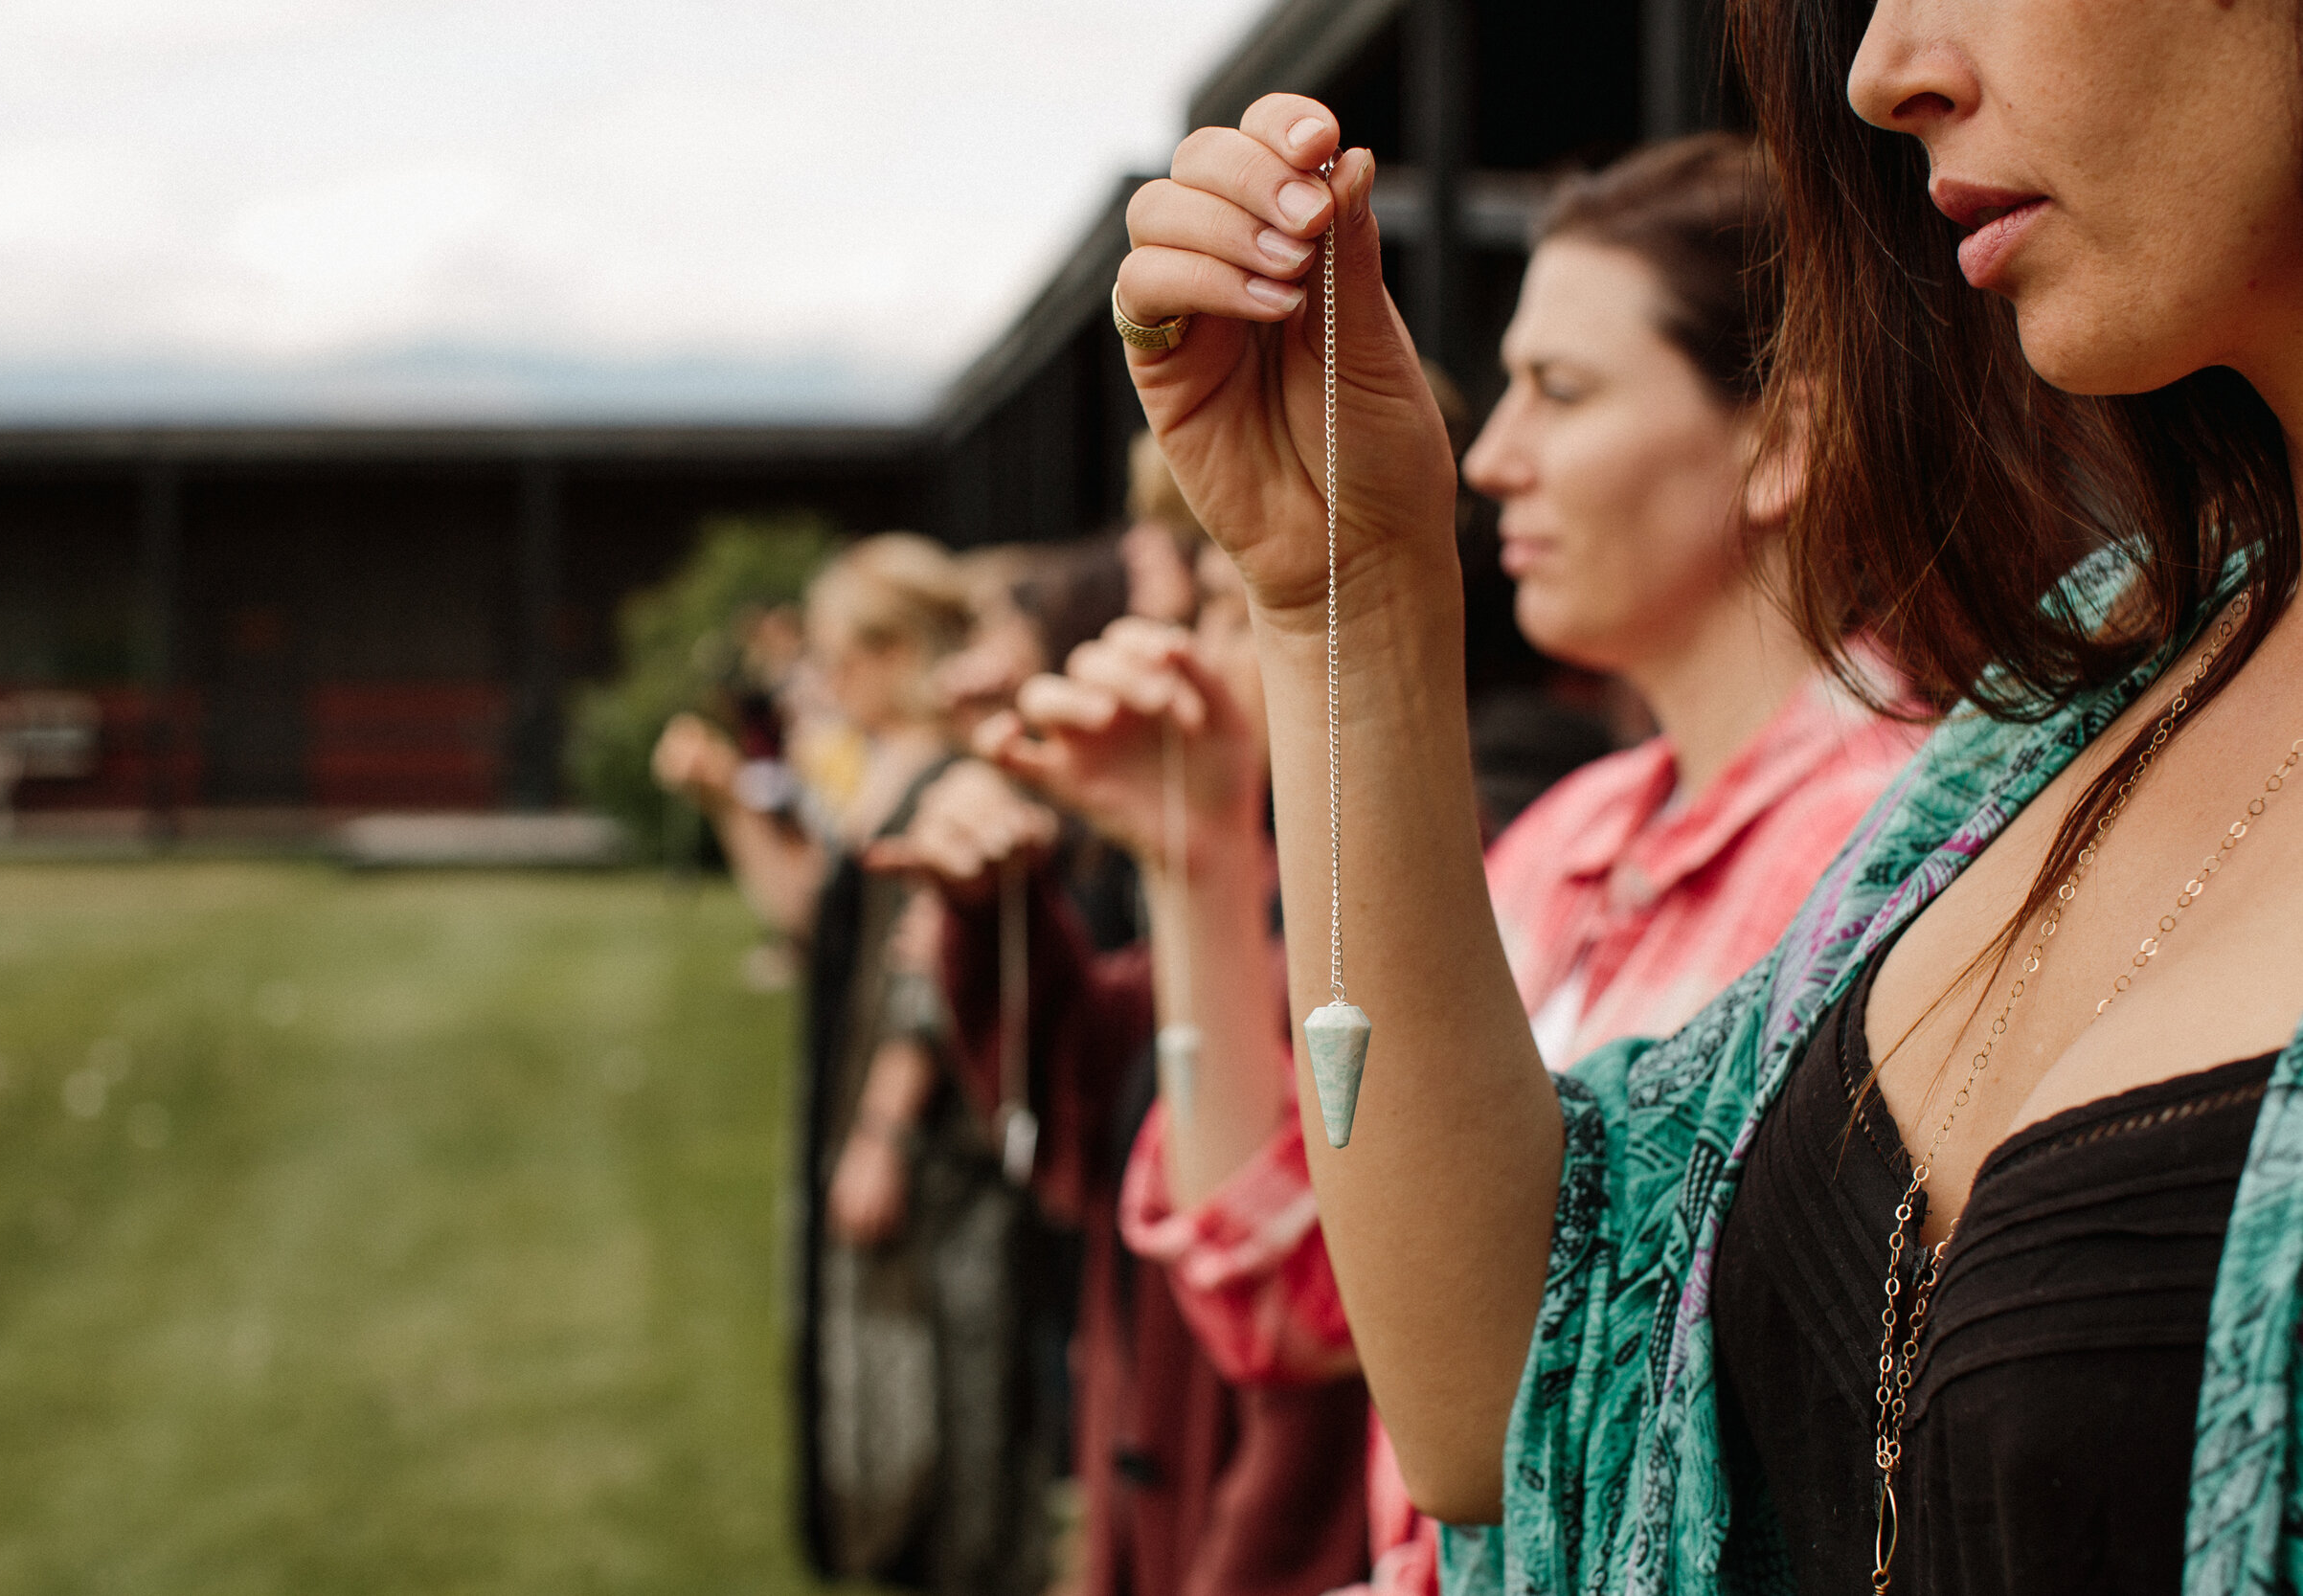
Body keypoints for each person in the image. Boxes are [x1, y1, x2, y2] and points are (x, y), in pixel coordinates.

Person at [1108, 15, 2303, 1589]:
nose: (1885, 70)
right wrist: (1345, 602)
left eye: (1565, 388)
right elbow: (1528, 1396)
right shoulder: (2066, 714)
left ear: (1776, 441)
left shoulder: (1918, 758)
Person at [1114, 134, 1922, 1595]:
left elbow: (1640, 1437)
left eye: (1562, 389)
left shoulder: (1902, 856)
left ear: (1785, 441)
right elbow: (1307, 1298)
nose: (1488, 460)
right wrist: (1192, 865)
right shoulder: (1567, 839)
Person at [872, 543, 1373, 1596]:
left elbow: (1334, 1369)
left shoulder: (1378, 910)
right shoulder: (1248, 869)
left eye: (1238, 618)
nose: (1193, 652)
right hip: (1153, 1463)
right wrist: (998, 906)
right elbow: (1096, 1063)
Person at [656, 532, 1050, 1595]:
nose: (823, 680)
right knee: (875, 1382)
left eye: (838, 653)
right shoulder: (880, 768)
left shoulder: (952, 776)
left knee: (941, 1387)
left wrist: (882, 1128)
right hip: (860, 1110)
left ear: (892, 648)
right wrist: (729, 800)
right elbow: (809, 915)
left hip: (930, 1145)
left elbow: (928, 974)